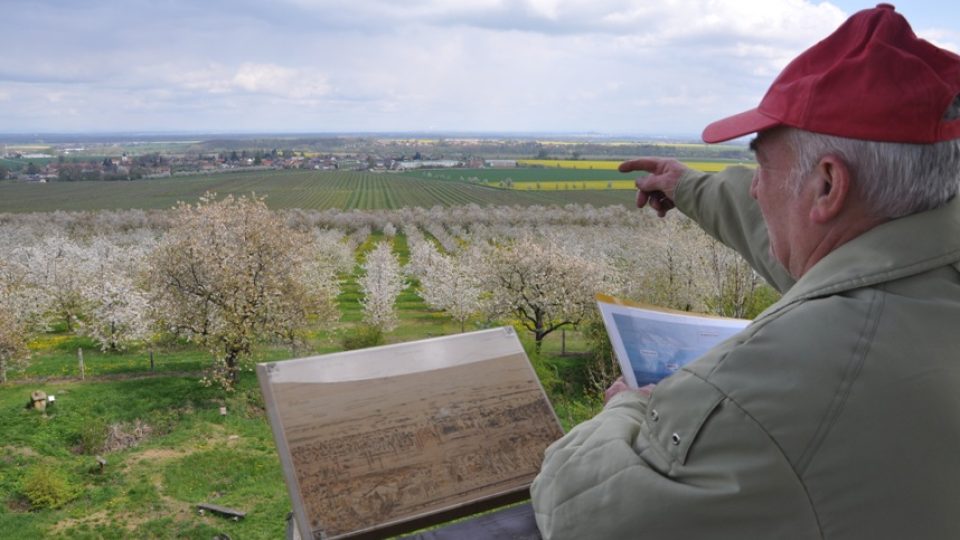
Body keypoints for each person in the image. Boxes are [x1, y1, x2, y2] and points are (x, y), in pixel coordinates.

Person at [530, 4, 960, 539]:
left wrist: (629, 413)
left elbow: (584, 516)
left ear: (827, 185)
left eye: (761, 165)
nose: (755, 186)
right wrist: (689, 186)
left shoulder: (760, 393)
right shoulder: (925, 259)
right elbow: (804, 240)